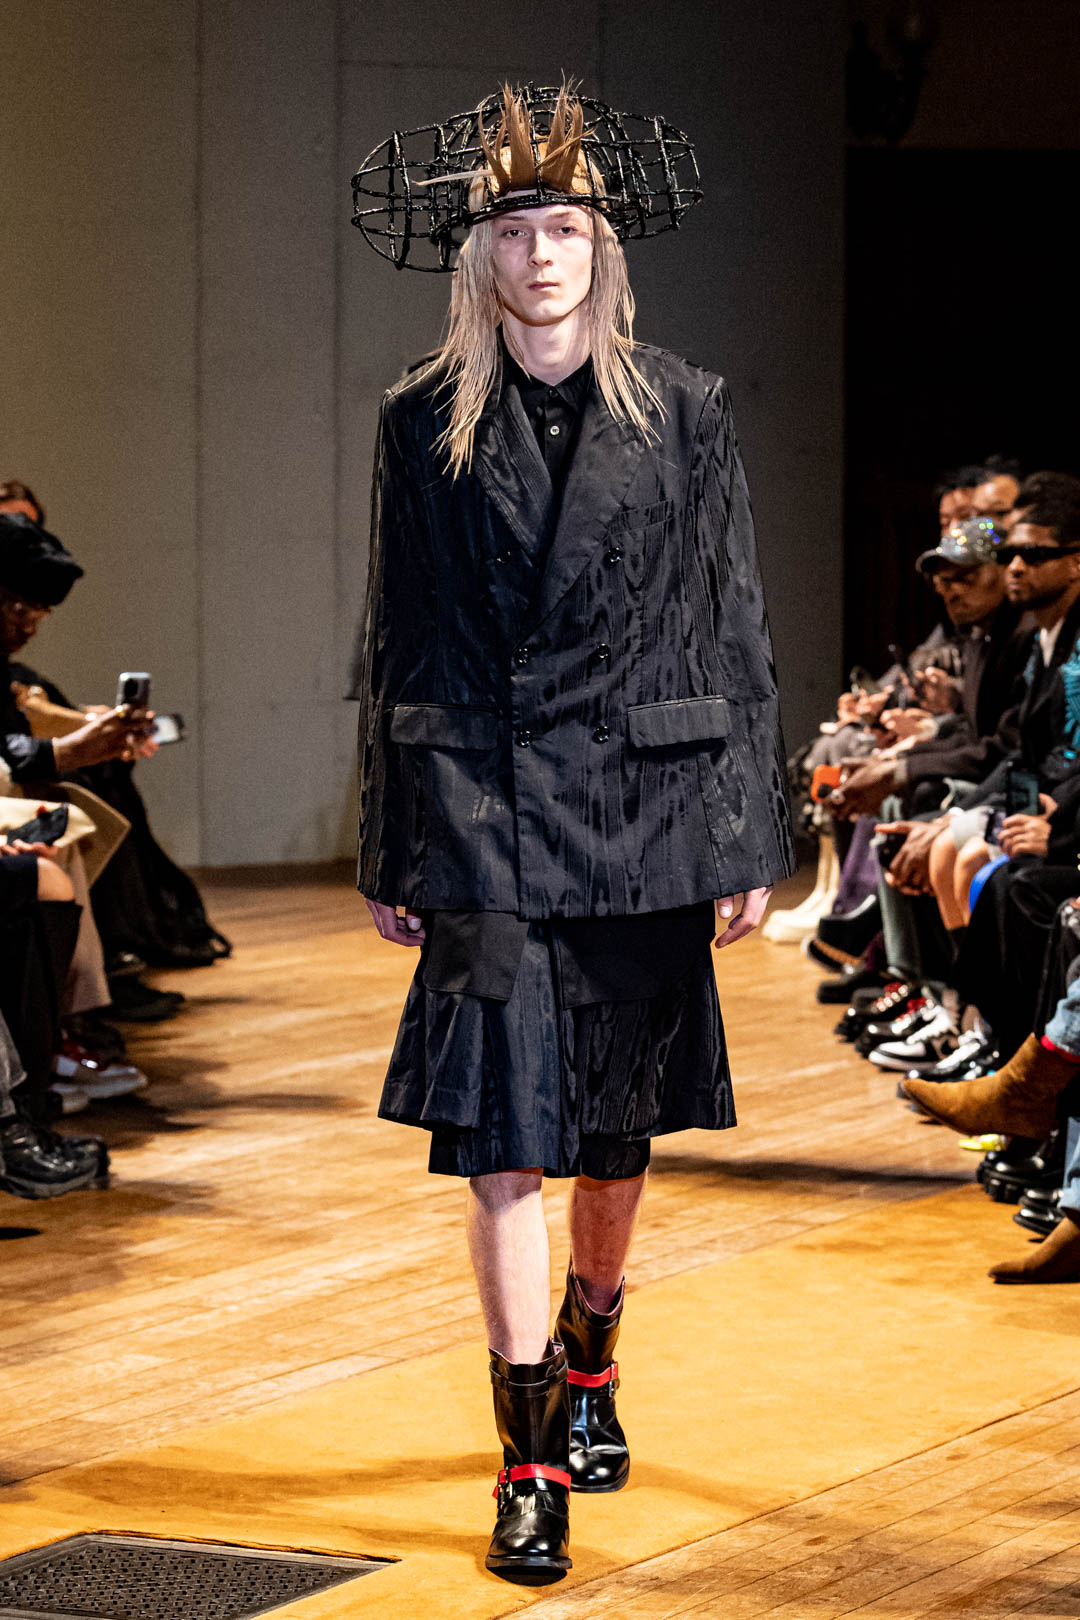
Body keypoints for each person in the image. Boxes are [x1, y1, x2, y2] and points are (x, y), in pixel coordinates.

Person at [351, 82, 795, 1583]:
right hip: (480, 811)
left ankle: (594, 1342)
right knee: (503, 1137)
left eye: (564, 227)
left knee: (611, 1127)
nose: (539, 254)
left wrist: (748, 828)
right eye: (512, 230)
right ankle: (529, 1454)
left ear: (603, 246)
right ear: (476, 255)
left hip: (642, 809)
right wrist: (389, 843)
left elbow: (733, 624)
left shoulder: (686, 409)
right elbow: (395, 637)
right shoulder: (421, 420)